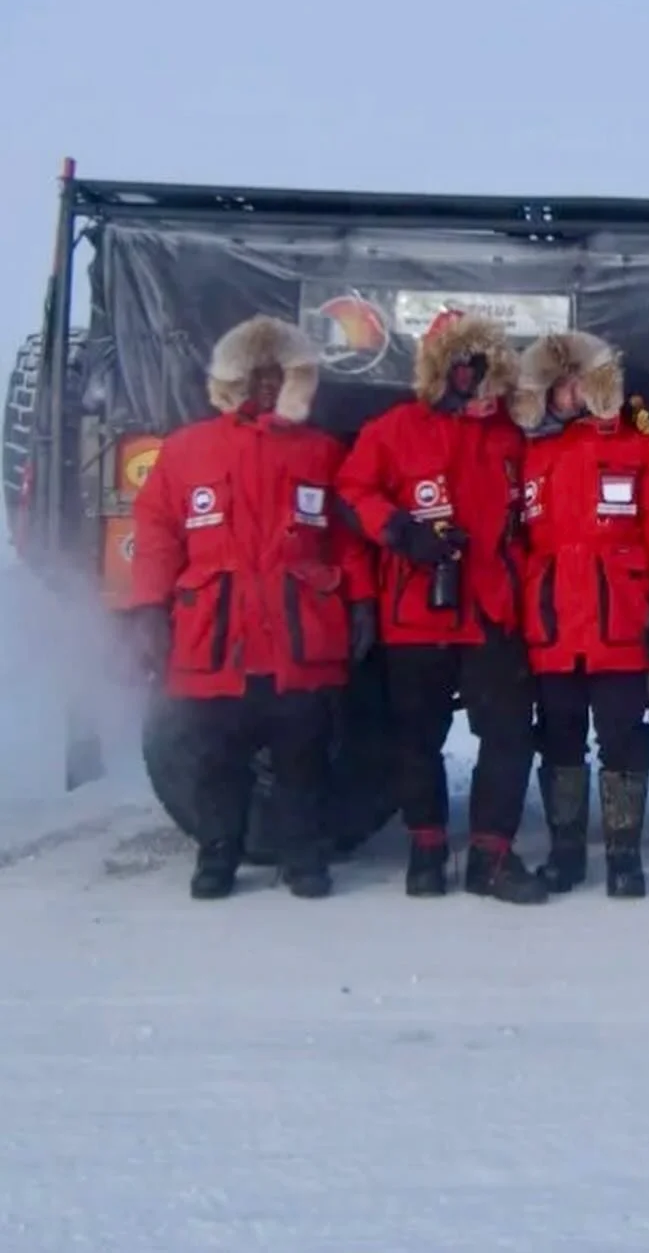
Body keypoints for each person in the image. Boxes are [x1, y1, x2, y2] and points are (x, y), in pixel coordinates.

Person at [125, 314, 378, 901]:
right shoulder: (187, 450)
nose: (268, 387)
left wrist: (361, 598)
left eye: (279, 376)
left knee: (303, 757)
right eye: (258, 376)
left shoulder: (320, 452)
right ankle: (217, 858)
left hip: (298, 635)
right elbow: (158, 532)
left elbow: (344, 537)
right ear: (233, 380)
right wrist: (148, 608)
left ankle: (304, 859)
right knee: (216, 760)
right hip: (217, 635)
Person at [336, 310, 546, 905]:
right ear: (439, 369)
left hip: (491, 612)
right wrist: (403, 533)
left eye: (482, 367)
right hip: (415, 612)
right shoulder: (394, 429)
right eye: (461, 366)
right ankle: (425, 848)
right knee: (416, 738)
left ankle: (491, 856)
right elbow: (351, 491)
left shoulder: (510, 435)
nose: (471, 378)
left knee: (508, 735)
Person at [510, 330, 649, 898]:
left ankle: (623, 857)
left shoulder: (642, 449)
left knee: (623, 738)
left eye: (575, 382)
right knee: (559, 738)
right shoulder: (530, 454)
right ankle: (566, 854)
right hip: (552, 627)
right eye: (556, 385)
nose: (567, 395)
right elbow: (516, 541)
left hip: (620, 624)